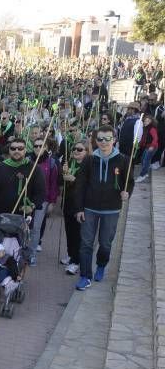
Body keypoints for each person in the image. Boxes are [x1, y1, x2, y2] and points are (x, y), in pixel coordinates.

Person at [73, 125, 134, 291]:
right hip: (89, 208)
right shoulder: (89, 159)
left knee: (105, 244)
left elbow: (129, 182)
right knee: (86, 243)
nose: (104, 142)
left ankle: (101, 264)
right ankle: (85, 276)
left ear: (114, 139)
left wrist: (126, 192)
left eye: (108, 138)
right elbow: (80, 185)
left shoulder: (123, 160)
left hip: (112, 209)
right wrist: (79, 208)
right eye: (100, 139)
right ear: (95, 141)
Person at [60, 139, 88, 275]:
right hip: (68, 203)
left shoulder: (88, 166)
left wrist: (74, 180)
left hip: (80, 206)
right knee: (69, 231)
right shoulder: (69, 163)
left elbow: (88, 187)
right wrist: (64, 173)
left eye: (80, 149)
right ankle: (71, 254)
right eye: (74, 149)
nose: (76, 151)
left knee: (78, 233)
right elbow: (62, 183)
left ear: (86, 151)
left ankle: (76, 261)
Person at [137, 113, 159, 182]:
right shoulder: (145, 128)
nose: (146, 122)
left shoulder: (152, 129)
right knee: (143, 159)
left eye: (148, 121)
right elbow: (144, 138)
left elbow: (155, 138)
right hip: (147, 147)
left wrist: (152, 146)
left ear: (151, 122)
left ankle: (142, 175)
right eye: (145, 121)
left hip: (152, 147)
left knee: (146, 160)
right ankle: (145, 173)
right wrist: (139, 145)